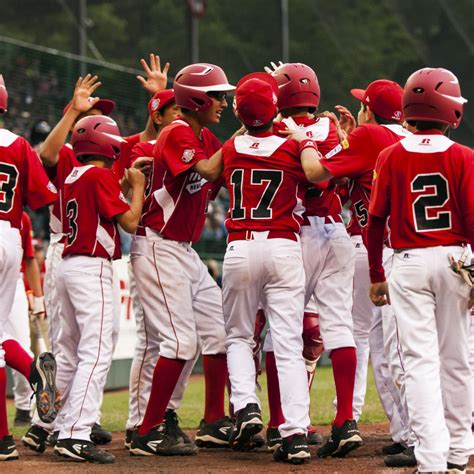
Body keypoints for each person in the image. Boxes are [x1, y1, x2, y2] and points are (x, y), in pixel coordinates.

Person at [367, 67, 473, 474]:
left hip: (408, 262)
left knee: (419, 363)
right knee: (457, 359)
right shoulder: (464, 156)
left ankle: (431, 460)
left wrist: (376, 274)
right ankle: (459, 452)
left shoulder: (391, 155)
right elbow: (473, 218)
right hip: (455, 261)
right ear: (450, 111)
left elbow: (375, 221)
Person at [222, 71, 329, 464]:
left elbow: (211, 170)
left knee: (238, 337)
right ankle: (295, 434)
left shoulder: (231, 148)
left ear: (239, 113)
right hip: (284, 246)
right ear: (275, 109)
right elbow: (319, 176)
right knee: (287, 343)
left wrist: (245, 123)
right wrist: (303, 139)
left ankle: (246, 405)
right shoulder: (289, 148)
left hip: (240, 246)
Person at [130, 63, 235, 456]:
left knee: (219, 331)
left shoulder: (203, 135)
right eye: (217, 96)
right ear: (197, 100)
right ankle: (147, 430)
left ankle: (213, 420)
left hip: (183, 251)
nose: (223, 103)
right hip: (158, 245)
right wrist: (246, 130)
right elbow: (207, 169)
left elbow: (219, 174)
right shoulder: (176, 131)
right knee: (179, 342)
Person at [307, 79, 414, 462]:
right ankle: (407, 431)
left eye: (363, 105)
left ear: (370, 110)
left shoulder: (369, 135)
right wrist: (349, 139)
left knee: (369, 341)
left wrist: (309, 141)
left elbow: (319, 173)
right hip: (412, 249)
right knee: (391, 347)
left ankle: (353, 421)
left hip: (379, 251)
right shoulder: (410, 137)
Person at [263, 62, 357, 454]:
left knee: (280, 330)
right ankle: (345, 419)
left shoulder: (273, 130)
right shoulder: (331, 127)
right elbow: (336, 171)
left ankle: (279, 422)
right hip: (336, 230)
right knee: (340, 327)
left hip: (295, 234)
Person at [52, 115, 145, 463]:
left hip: (68, 265)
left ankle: (60, 425)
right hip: (91, 266)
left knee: (74, 351)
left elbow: (104, 208)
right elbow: (131, 222)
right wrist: (137, 187)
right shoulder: (98, 175)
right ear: (107, 144)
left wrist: (122, 187)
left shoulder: (74, 175)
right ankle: (76, 433)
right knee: (96, 352)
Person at [125, 89, 198, 448]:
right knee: (154, 340)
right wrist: (155, 98)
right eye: (173, 111)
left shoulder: (194, 141)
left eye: (183, 109)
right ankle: (140, 423)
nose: (180, 116)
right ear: (157, 117)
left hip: (183, 248)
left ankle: (162, 416)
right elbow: (125, 182)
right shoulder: (144, 149)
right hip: (153, 243)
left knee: (193, 339)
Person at [0, 73, 58, 461]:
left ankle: (3, 439)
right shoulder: (18, 144)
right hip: (11, 237)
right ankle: (32, 372)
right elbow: (40, 196)